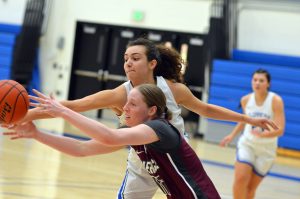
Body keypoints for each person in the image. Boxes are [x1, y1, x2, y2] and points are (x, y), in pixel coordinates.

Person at [12, 38, 277, 199]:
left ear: (152, 63)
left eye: (135, 58)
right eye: (125, 58)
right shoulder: (121, 94)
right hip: (144, 159)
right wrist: (22, 118)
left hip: (174, 156)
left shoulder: (172, 89)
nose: (127, 63)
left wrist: (249, 119)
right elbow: (74, 110)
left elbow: (206, 109)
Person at [5, 84, 222, 199]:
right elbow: (83, 148)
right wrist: (36, 135)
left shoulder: (159, 128)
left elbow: (109, 136)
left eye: (133, 104)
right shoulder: (137, 132)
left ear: (152, 110)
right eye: (126, 102)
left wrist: (62, 111)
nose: (125, 108)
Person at [220, 69, 285, 199]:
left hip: (266, 150)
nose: (257, 83)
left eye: (261, 80)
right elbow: (244, 120)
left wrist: (263, 134)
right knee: (240, 180)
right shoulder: (246, 99)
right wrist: (231, 135)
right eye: (255, 80)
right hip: (247, 144)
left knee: (250, 189)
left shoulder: (275, 100)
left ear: (268, 84)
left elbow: (280, 129)